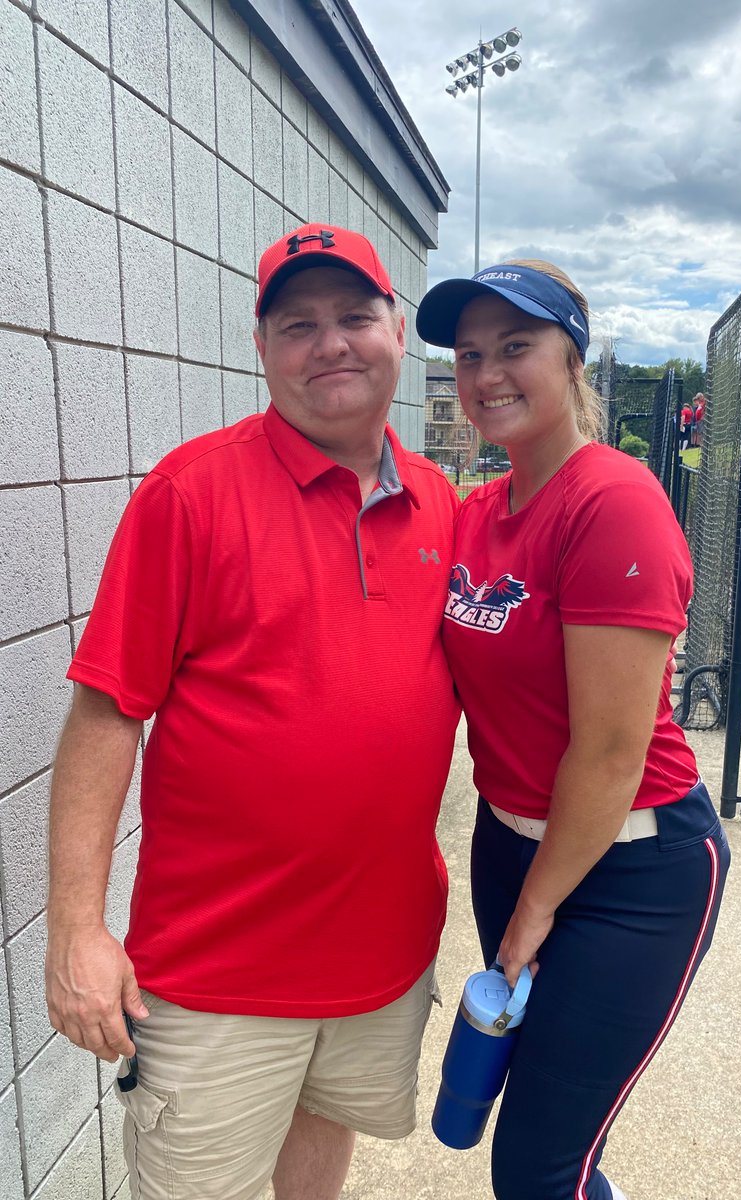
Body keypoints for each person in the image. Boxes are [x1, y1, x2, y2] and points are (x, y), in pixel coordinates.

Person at [45, 223, 461, 1200]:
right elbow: (108, 714)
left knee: (321, 1149)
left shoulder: (441, 503)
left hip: (380, 957)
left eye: (355, 316)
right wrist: (77, 928)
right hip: (215, 973)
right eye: (297, 324)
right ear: (262, 349)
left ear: (397, 332)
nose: (331, 344)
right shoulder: (189, 494)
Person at [416, 260, 731, 1200]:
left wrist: (536, 908)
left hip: (632, 871)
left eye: (516, 347)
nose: (487, 375)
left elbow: (609, 751)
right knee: (519, 1118)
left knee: (540, 1163)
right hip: (509, 846)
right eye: (470, 355)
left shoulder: (612, 501)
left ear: (573, 361)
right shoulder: (478, 513)